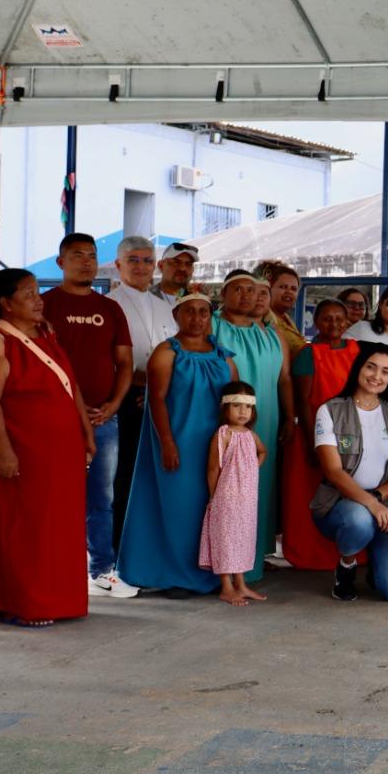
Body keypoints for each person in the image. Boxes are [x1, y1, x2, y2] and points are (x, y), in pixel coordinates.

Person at [0, 268, 95, 627]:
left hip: (60, 450)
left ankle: (60, 598)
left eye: (37, 292)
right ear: (5, 303)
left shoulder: (46, 333)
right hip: (23, 448)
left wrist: (85, 430)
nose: (38, 299)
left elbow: (70, 384)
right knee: (25, 526)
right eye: (28, 293)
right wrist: (3, 449)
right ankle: (24, 602)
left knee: (59, 526)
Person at [117, 293, 238, 597]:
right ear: (176, 315)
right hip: (179, 438)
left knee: (211, 506)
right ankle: (177, 576)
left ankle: (211, 573)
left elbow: (236, 399)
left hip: (214, 442)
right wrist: (167, 442)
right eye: (189, 312)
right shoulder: (166, 353)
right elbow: (156, 400)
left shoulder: (224, 356)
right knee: (179, 507)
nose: (197, 318)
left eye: (203, 312)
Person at [41, 232, 136, 598]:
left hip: (103, 419)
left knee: (102, 498)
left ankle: (101, 570)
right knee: (56, 496)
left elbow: (124, 363)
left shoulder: (111, 308)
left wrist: (114, 404)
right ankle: (54, 568)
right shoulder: (44, 306)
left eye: (92, 256)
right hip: (55, 419)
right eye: (77, 255)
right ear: (61, 262)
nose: (86, 262)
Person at [310, 347, 388, 603]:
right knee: (360, 520)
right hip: (341, 505)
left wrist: (378, 498)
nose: (376, 375)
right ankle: (346, 567)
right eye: (371, 366)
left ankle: (377, 568)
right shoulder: (330, 410)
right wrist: (369, 503)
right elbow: (333, 471)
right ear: (358, 367)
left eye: (385, 371)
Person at [211, 269, 295, 582]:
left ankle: (253, 556)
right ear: (224, 294)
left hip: (268, 418)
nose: (248, 296)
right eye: (239, 290)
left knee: (260, 486)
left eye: (253, 290)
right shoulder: (213, 325)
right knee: (228, 490)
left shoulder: (273, 334)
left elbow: (284, 379)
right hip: (225, 420)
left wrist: (290, 417)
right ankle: (225, 562)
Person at [107, 237, 176, 556]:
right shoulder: (109, 305)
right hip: (125, 400)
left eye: (147, 260)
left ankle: (150, 548)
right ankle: (120, 549)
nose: (141, 267)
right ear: (119, 264)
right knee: (122, 478)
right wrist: (137, 386)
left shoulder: (166, 307)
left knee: (155, 477)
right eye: (133, 260)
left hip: (161, 400)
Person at [280, 299, 360, 570]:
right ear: (316, 322)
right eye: (327, 318)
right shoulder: (308, 353)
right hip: (314, 432)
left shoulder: (356, 350)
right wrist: (314, 442)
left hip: (350, 433)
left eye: (340, 318)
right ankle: (310, 553)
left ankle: (349, 551)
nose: (334, 324)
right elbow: (304, 400)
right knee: (311, 495)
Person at [200, 381, 267, 606]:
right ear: (225, 408)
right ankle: (226, 587)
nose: (242, 411)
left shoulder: (250, 435)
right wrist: (214, 496)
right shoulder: (223, 434)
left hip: (247, 501)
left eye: (247, 407)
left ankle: (241, 584)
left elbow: (263, 451)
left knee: (243, 539)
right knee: (226, 539)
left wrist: (253, 465)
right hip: (226, 499)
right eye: (236, 406)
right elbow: (212, 468)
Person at [259, 261, 306, 355]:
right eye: (283, 287)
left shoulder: (286, 318)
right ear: (269, 289)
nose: (289, 292)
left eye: (294, 289)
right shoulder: (262, 319)